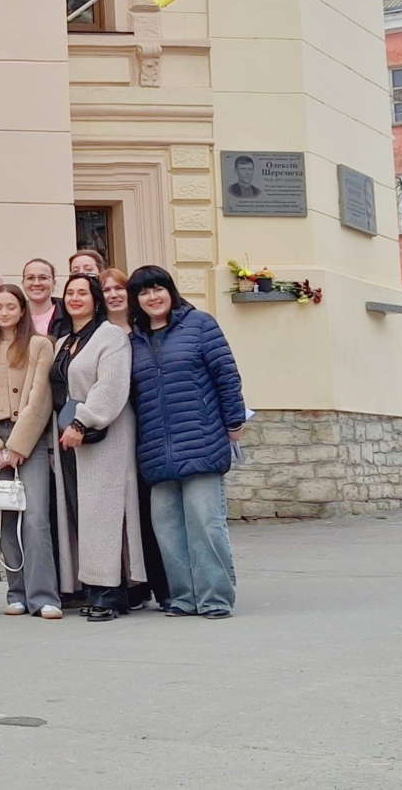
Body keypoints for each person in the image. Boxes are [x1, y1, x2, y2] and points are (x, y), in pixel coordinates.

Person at [128, 265, 245, 619]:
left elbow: (226, 374)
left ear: (171, 291)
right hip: (155, 448)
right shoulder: (133, 339)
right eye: (144, 292)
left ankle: (215, 597)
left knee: (205, 523)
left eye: (158, 288)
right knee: (167, 529)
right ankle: (182, 596)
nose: (153, 297)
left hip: (201, 439)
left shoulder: (200, 325)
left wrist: (234, 421)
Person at [50, 274, 145, 623]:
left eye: (83, 293)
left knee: (104, 512)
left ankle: (110, 593)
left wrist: (82, 422)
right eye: (70, 293)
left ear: (95, 299)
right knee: (82, 513)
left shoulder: (111, 336)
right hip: (68, 437)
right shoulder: (64, 341)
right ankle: (93, 589)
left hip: (104, 433)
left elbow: (111, 385)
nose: (75, 298)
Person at [0, 284, 59, 619]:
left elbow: (40, 397)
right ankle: (16, 592)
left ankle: (43, 595)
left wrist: (19, 445)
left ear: (21, 310)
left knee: (35, 518)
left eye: (11, 307)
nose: (4, 313)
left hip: (28, 440)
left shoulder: (39, 345)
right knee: (3, 518)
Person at [101, 267, 169, 609]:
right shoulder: (97, 333)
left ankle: (164, 585)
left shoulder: (144, 330)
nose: (113, 294)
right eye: (106, 289)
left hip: (150, 427)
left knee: (151, 510)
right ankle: (132, 584)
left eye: (119, 288)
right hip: (112, 431)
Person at [22, 258, 70, 339]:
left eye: (43, 278)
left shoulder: (68, 315)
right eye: (30, 278)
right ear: (23, 282)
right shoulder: (14, 316)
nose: (36, 283)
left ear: (53, 283)